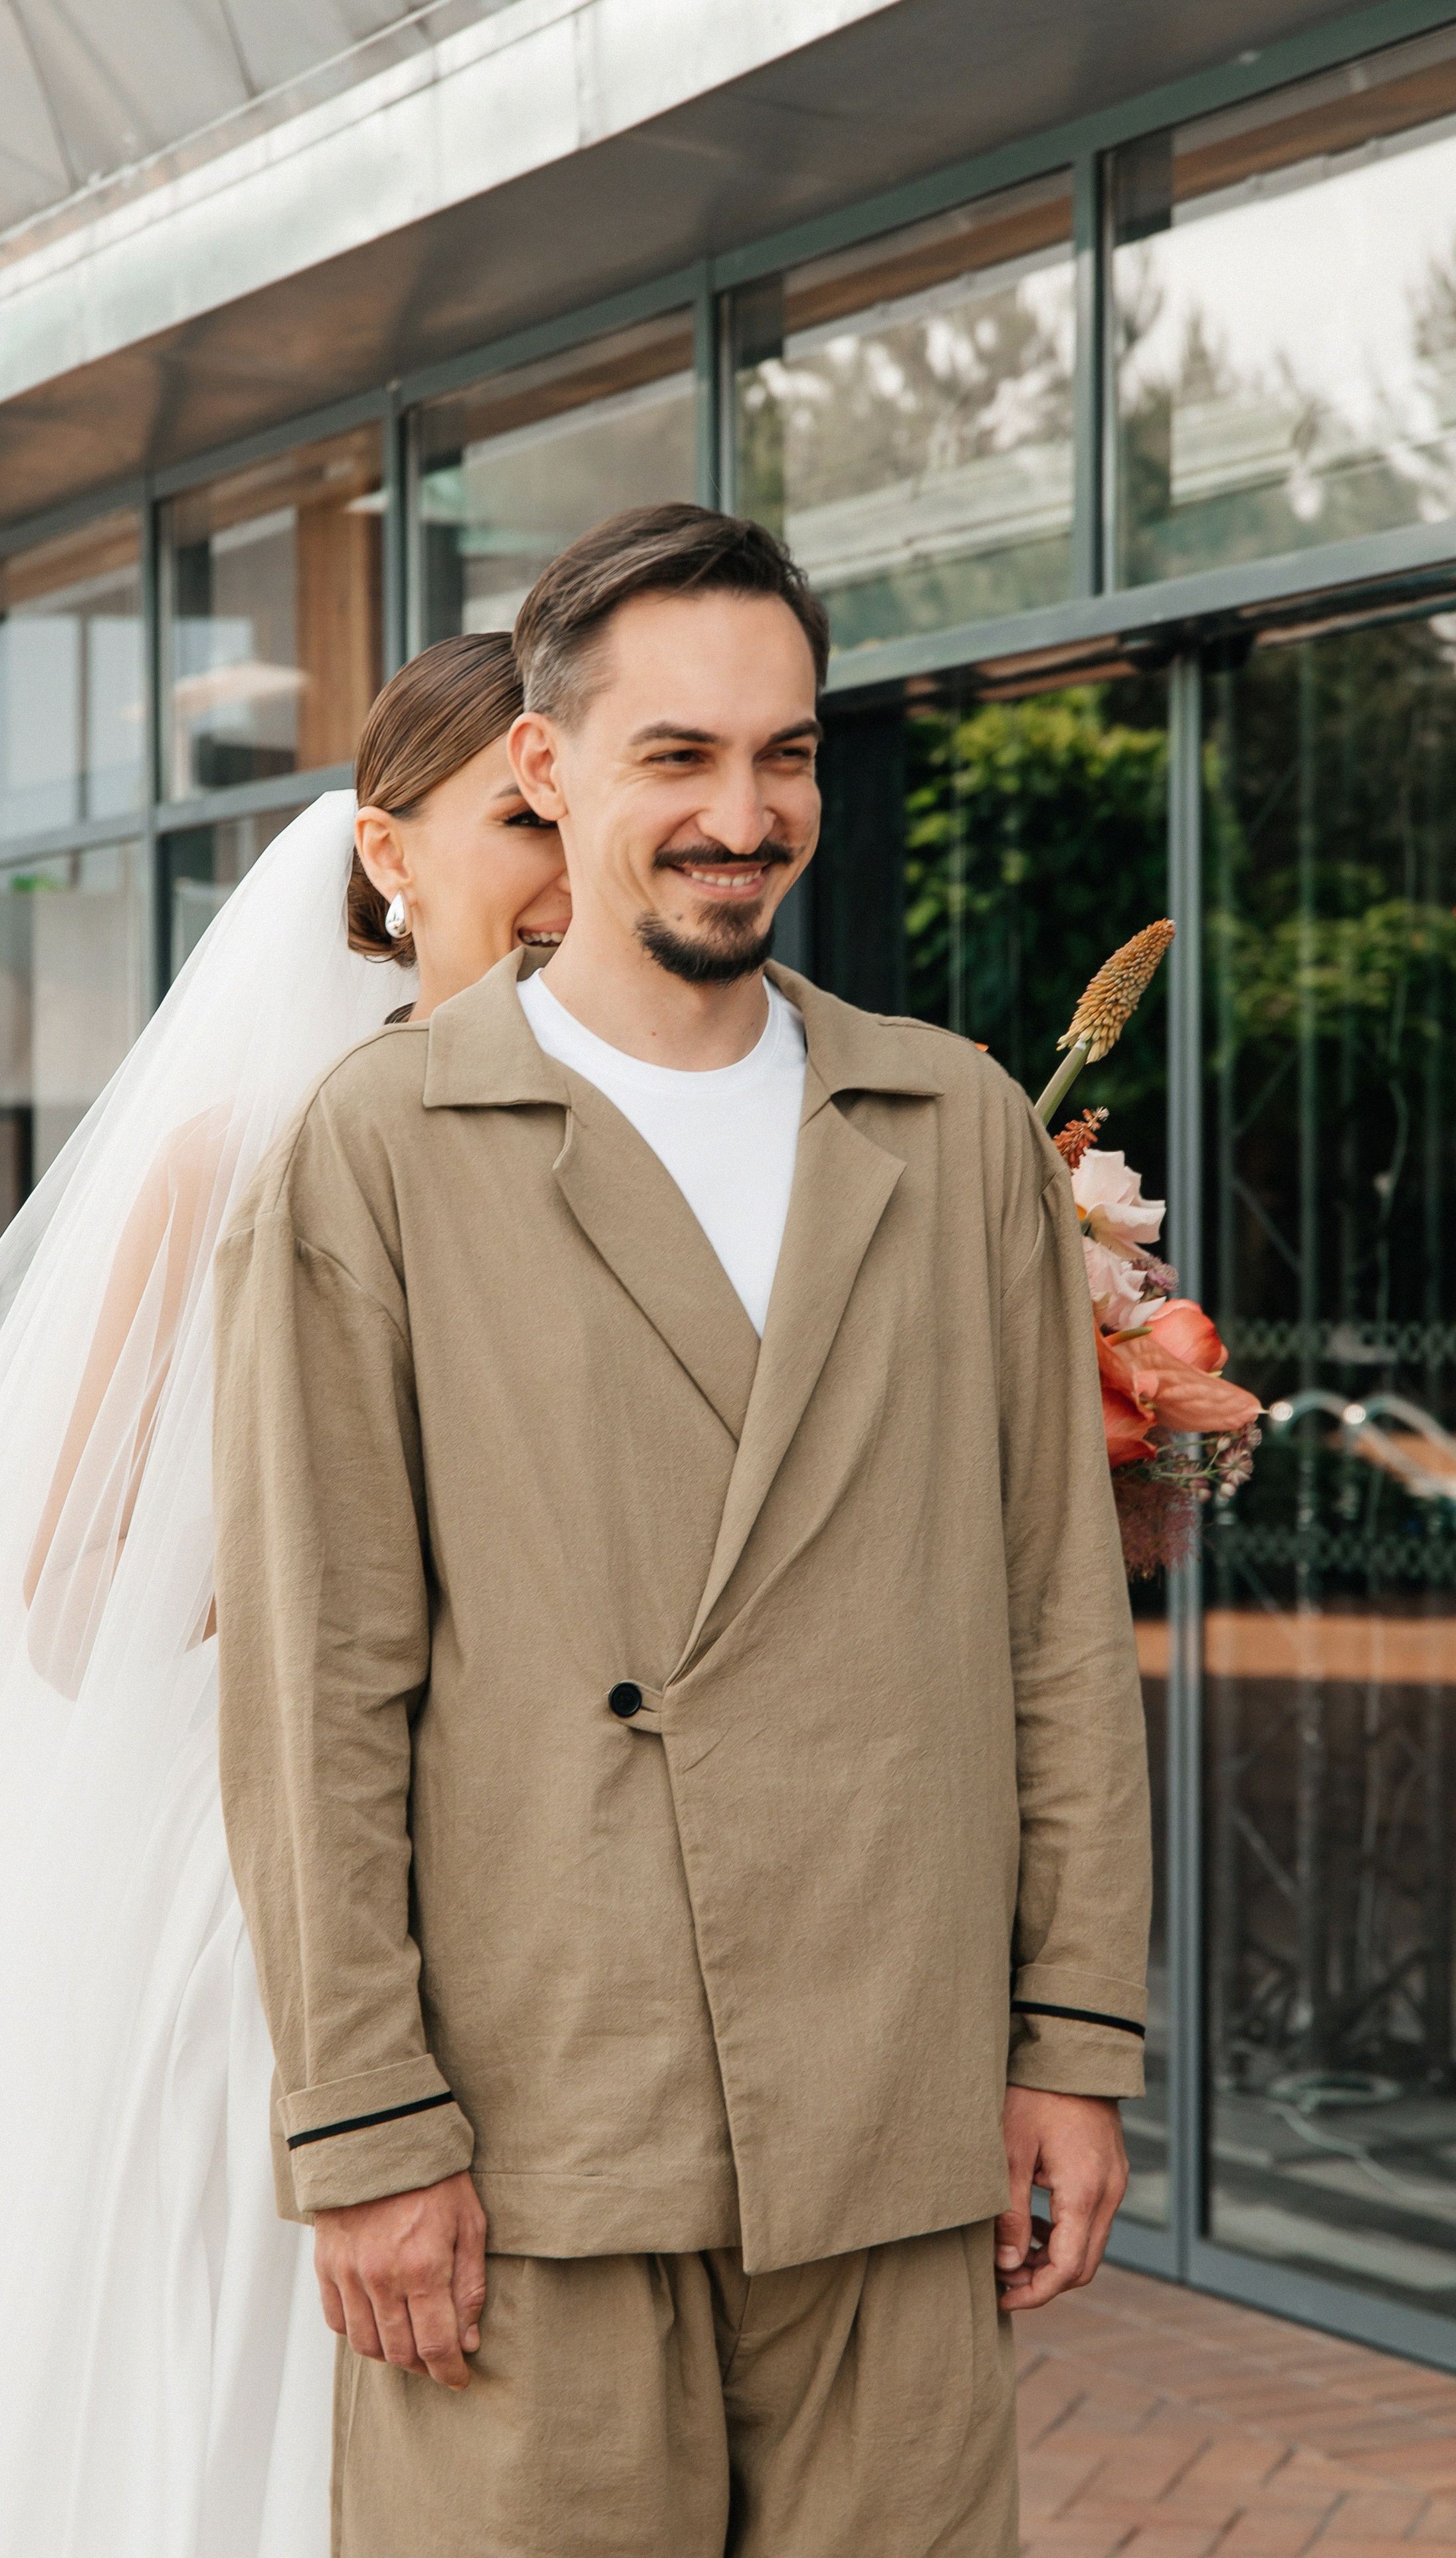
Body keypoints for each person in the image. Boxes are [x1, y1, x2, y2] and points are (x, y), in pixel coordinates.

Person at [214, 505, 1152, 2556]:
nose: (744, 814)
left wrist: (1071, 2041)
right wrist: (366, 2123)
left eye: (786, 754)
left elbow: (1051, 1630)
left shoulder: (955, 1123)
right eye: (678, 757)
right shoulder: (379, 1152)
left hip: (890, 2099)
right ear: (543, 769)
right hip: (549, 2115)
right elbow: (319, 1677)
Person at [0, 632, 566, 2557]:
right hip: (266, 1881)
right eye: (527, 813)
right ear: (389, 851)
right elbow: (61, 1600)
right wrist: (330, 1556)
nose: (574, 857)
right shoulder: (236, 1157)